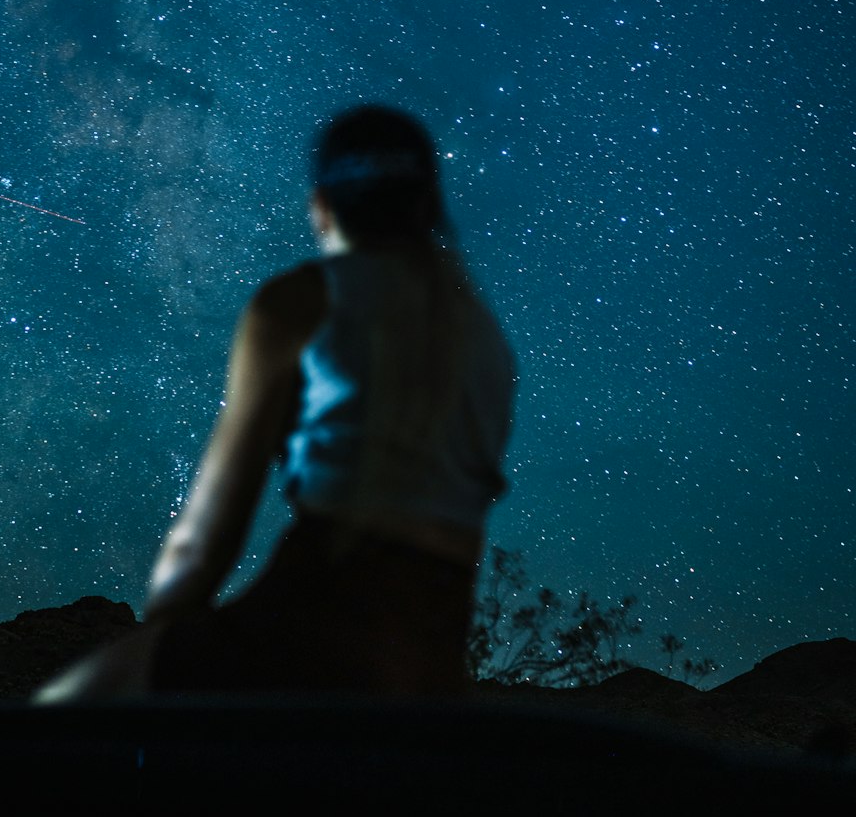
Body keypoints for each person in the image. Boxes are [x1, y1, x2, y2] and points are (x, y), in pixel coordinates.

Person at [38, 103, 516, 704]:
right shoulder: (485, 340)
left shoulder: (300, 303)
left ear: (321, 207)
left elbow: (207, 537)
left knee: (62, 712)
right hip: (432, 678)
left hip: (301, 641)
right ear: (426, 205)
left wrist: (159, 644)